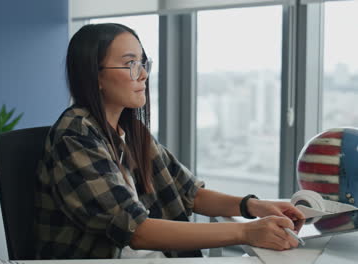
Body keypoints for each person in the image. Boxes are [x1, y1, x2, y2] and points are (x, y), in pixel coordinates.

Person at [34, 23, 305, 259]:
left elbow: (189, 192)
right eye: (130, 64)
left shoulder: (132, 131)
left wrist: (252, 206)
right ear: (95, 75)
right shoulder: (75, 136)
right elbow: (136, 230)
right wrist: (246, 232)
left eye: (143, 63)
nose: (142, 74)